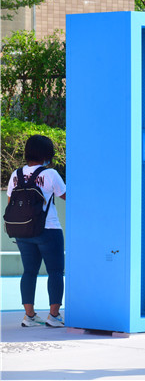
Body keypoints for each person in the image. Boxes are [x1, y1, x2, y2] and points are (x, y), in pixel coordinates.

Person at [6, 135, 67, 328]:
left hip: (22, 232)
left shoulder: (15, 174)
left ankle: (29, 316)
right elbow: (67, 196)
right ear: (46, 154)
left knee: (29, 272)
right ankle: (54, 316)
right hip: (48, 230)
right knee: (55, 271)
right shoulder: (50, 174)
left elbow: (10, 203)